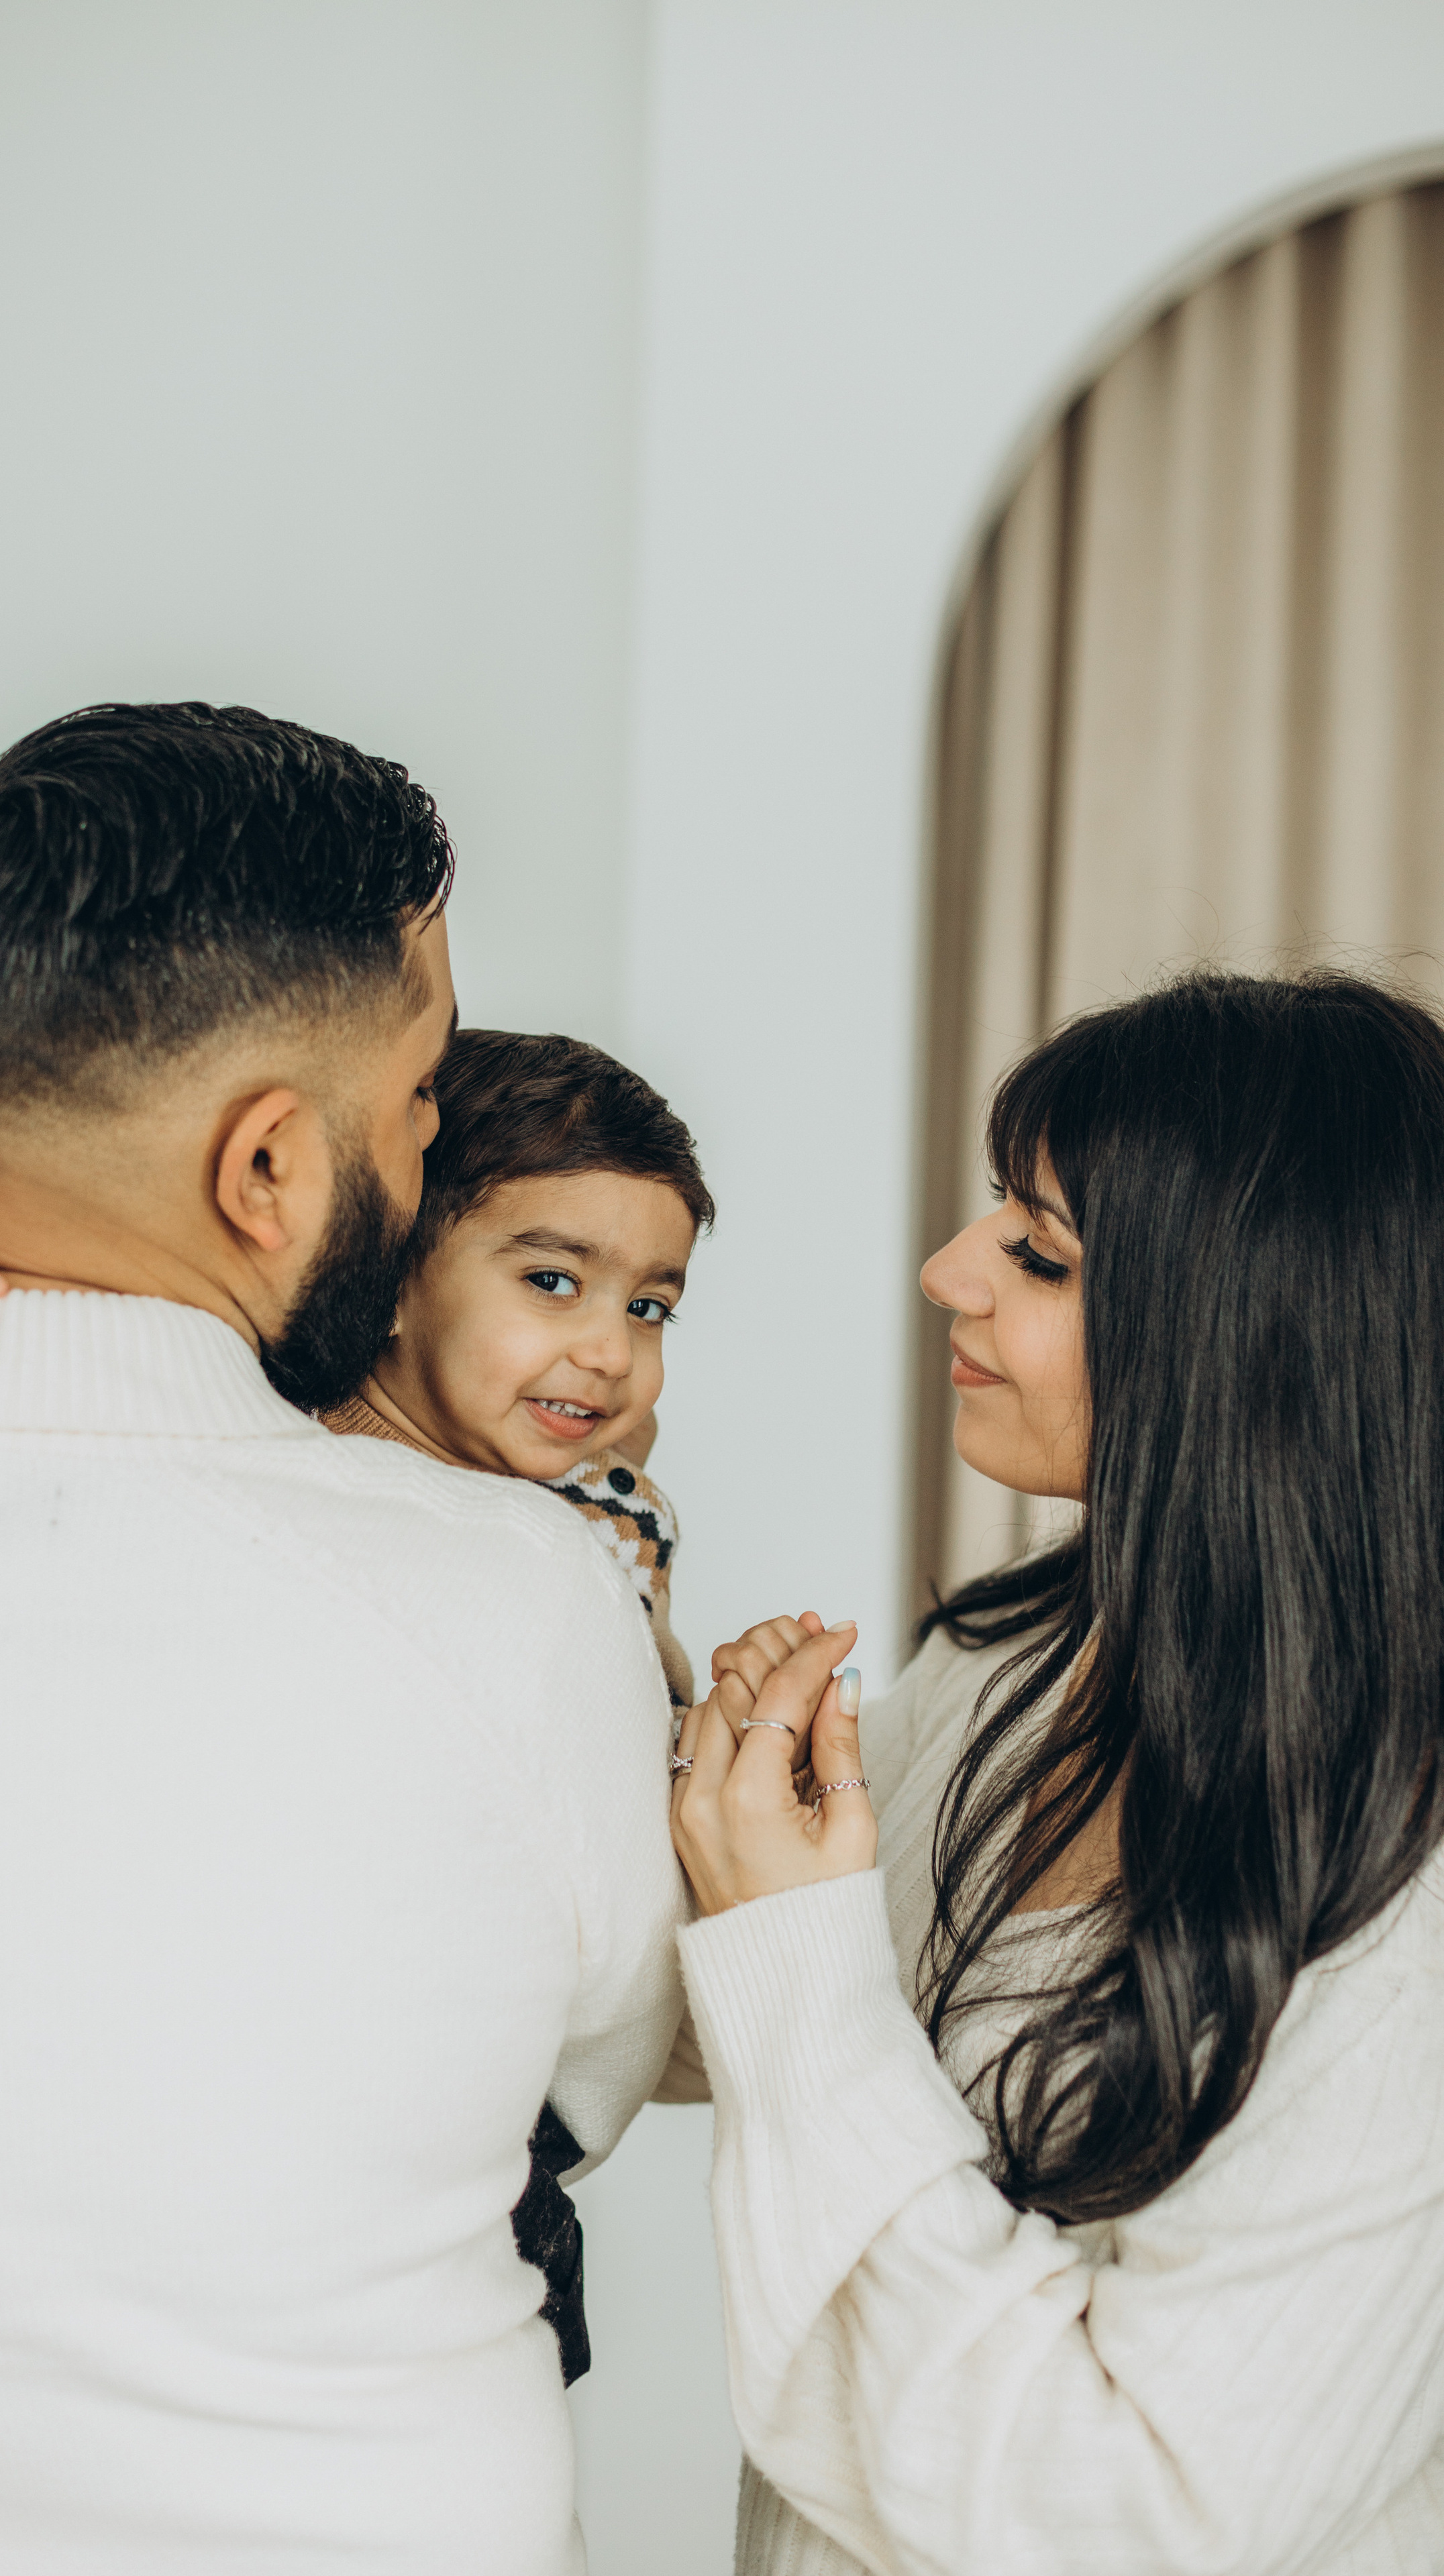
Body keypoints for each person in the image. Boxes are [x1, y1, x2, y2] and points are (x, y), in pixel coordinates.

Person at [0, 700, 686, 2573]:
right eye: (419, 1104)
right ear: (266, 1171)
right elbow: (588, 2081)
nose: (426, 1147)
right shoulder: (517, 1600)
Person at [0, 1023, 717, 2382]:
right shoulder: (262, 1419)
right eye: (552, 1282)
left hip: (465, 2141)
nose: (609, 1353)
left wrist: (701, 1732)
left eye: (649, 1309)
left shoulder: (603, 1512)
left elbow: (609, 1904)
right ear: (392, 1275)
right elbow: (22, 1385)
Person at [669, 969, 1444, 2576]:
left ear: (1249, 1340)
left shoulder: (1406, 1911)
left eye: (1036, 1254)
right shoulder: (1017, 1661)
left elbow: (1129, 2520)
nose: (945, 1271)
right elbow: (694, 2018)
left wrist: (791, 1938)